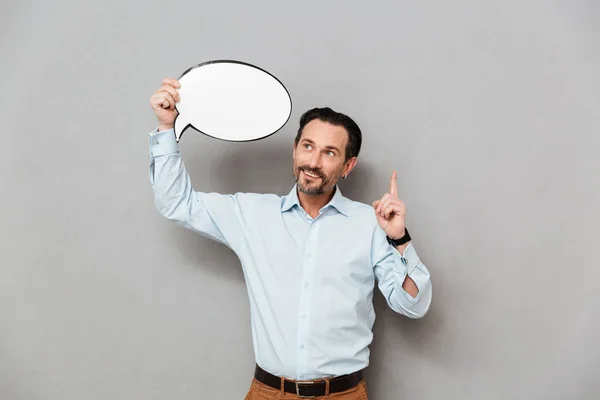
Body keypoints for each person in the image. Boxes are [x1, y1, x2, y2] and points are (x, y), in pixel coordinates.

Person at [148, 78, 432, 399]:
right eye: (307, 146)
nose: (313, 162)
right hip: (268, 393)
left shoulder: (370, 224)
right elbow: (177, 204)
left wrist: (400, 239)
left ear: (347, 165)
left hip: (342, 395)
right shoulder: (251, 214)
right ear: (294, 150)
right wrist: (165, 129)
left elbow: (413, 305)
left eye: (329, 153)